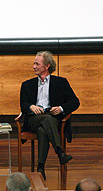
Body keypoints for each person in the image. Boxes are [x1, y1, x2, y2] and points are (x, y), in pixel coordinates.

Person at [20, 50, 80, 180]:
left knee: (43, 130)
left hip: (52, 119)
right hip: (33, 119)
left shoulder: (61, 82)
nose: (34, 66)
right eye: (34, 63)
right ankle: (60, 152)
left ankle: (40, 167)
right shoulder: (27, 85)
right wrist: (31, 106)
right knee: (46, 120)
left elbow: (75, 102)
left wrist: (61, 108)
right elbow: (23, 104)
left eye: (37, 64)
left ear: (47, 66)